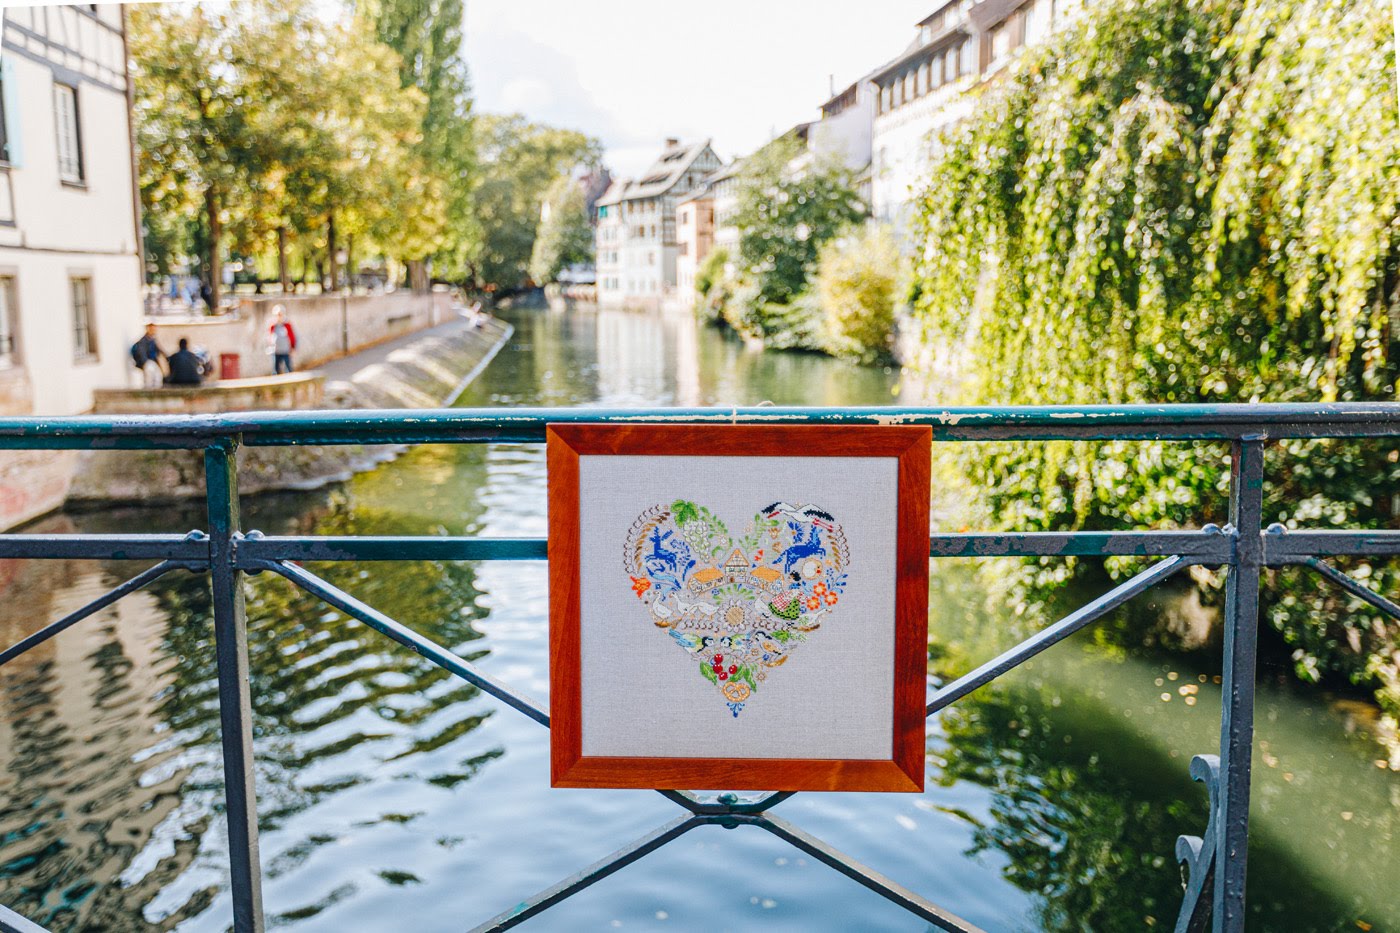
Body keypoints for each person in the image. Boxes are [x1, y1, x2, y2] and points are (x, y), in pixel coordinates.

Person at [130, 324, 166, 388]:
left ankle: (155, 391)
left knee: (158, 376)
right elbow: (141, 351)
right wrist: (145, 361)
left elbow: (159, 349)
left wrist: (166, 356)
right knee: (149, 379)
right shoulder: (143, 340)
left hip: (153, 361)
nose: (154, 331)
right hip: (148, 361)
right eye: (152, 329)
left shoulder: (152, 340)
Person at [267, 305, 296, 374]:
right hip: (276, 351)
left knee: (288, 368)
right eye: (277, 314)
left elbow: (292, 336)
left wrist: (293, 347)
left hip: (285, 351)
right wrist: (270, 346)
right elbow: (269, 337)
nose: (279, 316)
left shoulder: (287, 325)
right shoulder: (273, 326)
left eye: (280, 314)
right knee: (276, 370)